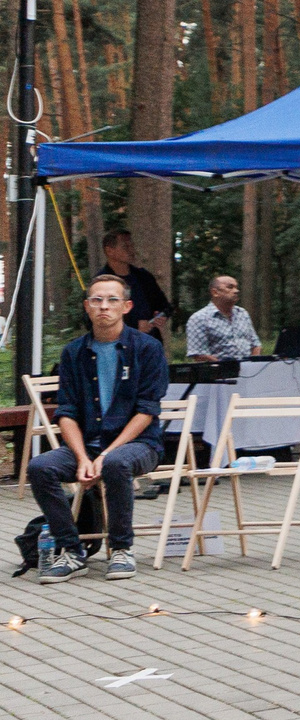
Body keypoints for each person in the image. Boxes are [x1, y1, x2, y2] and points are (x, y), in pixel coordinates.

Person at [29, 272, 168, 583]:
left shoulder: (146, 348)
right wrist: (82, 458)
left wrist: (105, 454)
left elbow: (147, 412)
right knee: (40, 467)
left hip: (139, 445)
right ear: (87, 306)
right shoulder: (73, 353)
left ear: (127, 306)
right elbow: (66, 413)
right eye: (97, 300)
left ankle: (121, 549)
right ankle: (71, 550)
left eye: (112, 300)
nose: (104, 306)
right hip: (87, 445)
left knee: (116, 463)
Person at [101, 230, 173, 345]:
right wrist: (134, 325)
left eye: (132, 245)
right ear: (110, 251)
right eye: (125, 246)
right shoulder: (101, 283)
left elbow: (165, 306)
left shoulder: (143, 277)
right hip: (117, 345)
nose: (131, 250)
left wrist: (161, 315)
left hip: (149, 343)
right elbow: (93, 320)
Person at [185, 274, 260, 361]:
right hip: (217, 372)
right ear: (215, 292)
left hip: (249, 370)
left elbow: (255, 344)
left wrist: (253, 365)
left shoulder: (242, 313)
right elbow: (199, 354)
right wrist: (224, 368)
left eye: (236, 287)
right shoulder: (199, 318)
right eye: (230, 287)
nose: (236, 291)